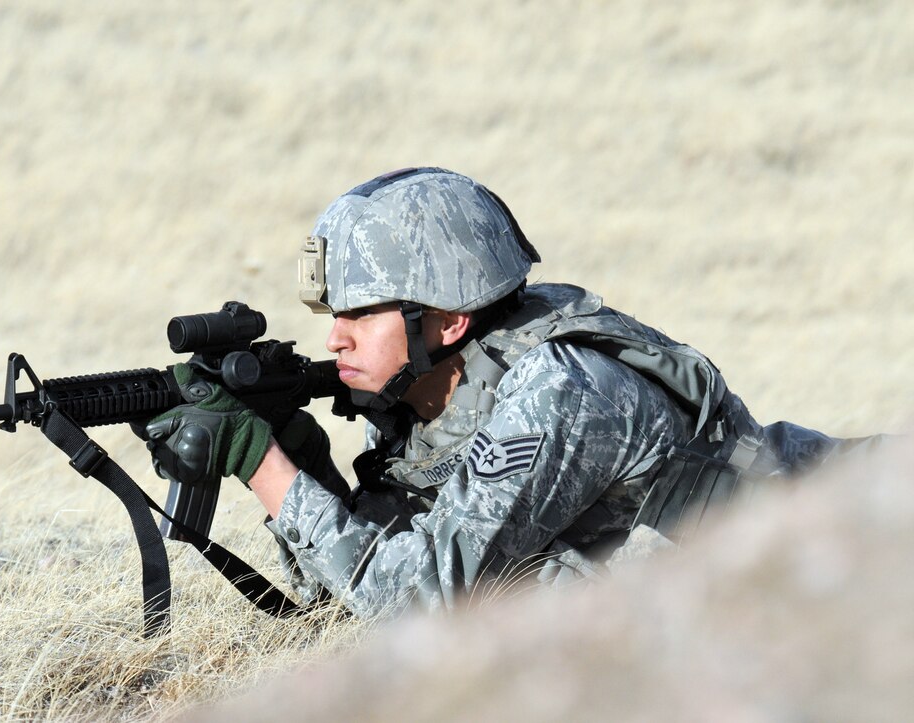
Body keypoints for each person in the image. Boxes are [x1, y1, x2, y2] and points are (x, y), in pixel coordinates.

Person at [144, 167, 855, 618]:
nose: (337, 339)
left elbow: (418, 602)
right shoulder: (417, 398)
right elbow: (343, 600)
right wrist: (305, 467)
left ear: (447, 318)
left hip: (856, 552)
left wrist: (264, 467)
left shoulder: (560, 390)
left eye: (362, 314)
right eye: (336, 317)